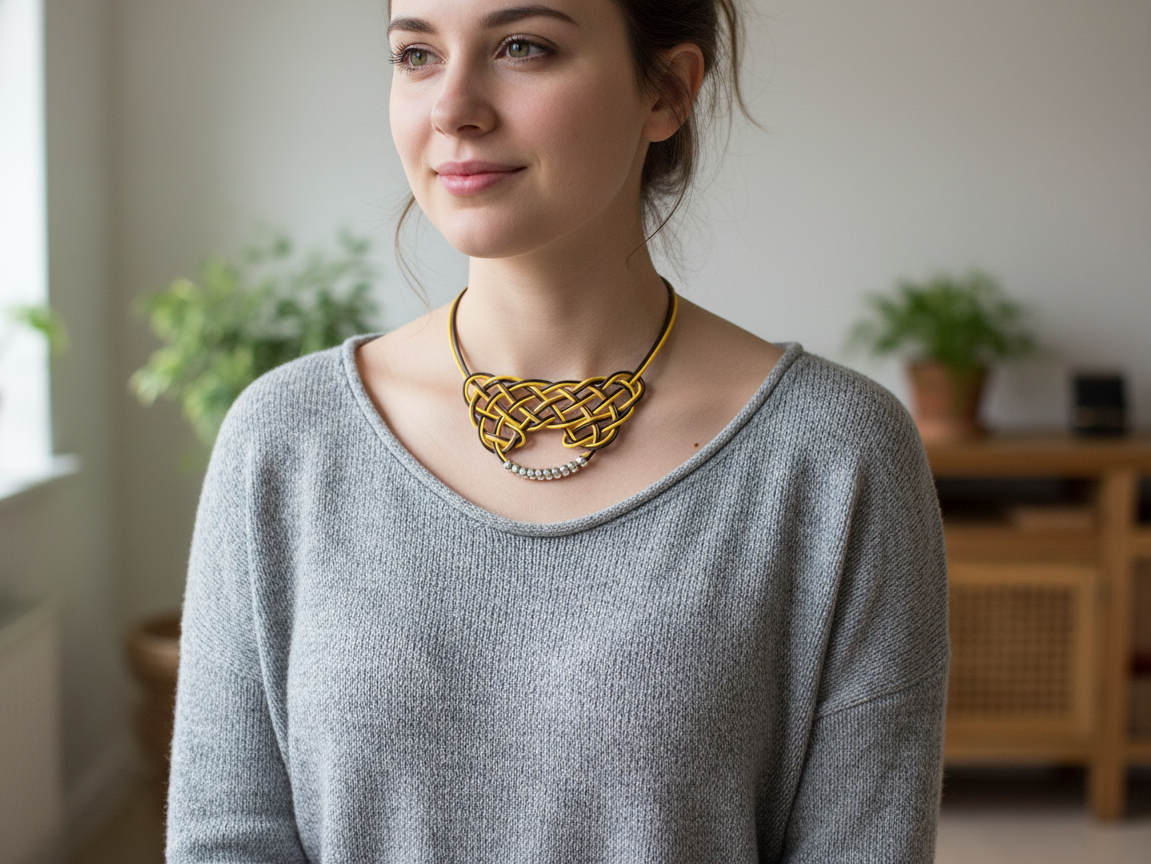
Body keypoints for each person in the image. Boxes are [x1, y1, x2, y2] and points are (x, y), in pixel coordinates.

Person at [166, 0, 949, 861]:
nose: (453, 107)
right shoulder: (285, 439)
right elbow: (227, 838)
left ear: (667, 92)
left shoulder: (834, 455)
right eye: (416, 54)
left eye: (522, 47)